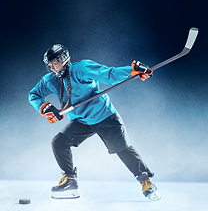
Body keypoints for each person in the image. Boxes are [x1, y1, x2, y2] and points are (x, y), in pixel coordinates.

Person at [29, 44, 160, 201]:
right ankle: (70, 181)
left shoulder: (81, 69)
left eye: (54, 62)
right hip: (81, 121)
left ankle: (146, 181)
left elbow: (109, 74)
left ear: (63, 59)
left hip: (104, 116)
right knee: (59, 142)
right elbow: (34, 95)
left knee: (122, 149)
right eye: (49, 64)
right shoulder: (50, 80)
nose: (52, 67)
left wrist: (133, 71)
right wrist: (45, 107)